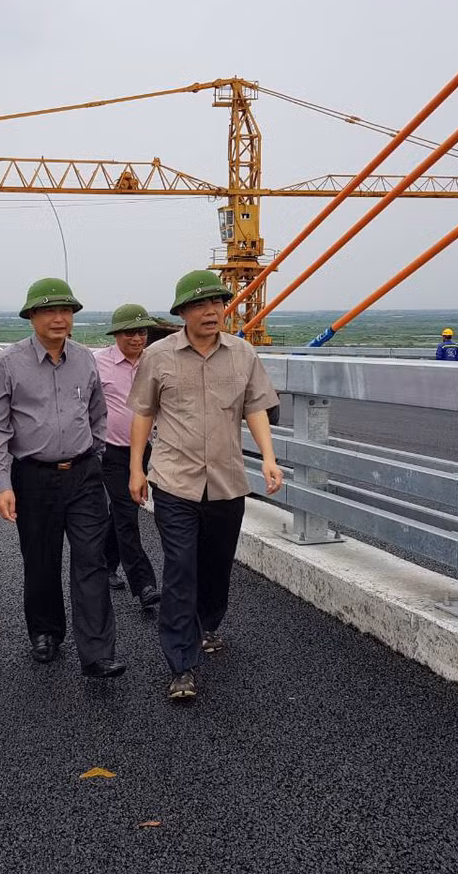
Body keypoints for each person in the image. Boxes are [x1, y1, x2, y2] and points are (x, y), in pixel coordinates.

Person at [127, 270, 283, 702]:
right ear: (182, 312)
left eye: (216, 303)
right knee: (180, 568)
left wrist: (269, 458)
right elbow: (143, 412)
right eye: (199, 305)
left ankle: (208, 622)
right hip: (174, 481)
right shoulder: (158, 356)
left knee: (216, 566)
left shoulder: (242, 353)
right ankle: (181, 663)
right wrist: (136, 468)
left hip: (227, 481)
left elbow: (255, 408)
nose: (211, 311)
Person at [0, 278, 124, 678]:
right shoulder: (8, 364)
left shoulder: (84, 359)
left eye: (65, 311)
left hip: (83, 475)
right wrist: (4, 483)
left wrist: (94, 453)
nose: (59, 318)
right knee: (41, 560)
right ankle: (45, 631)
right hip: (34, 477)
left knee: (91, 560)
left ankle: (97, 652)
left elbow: (98, 412)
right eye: (48, 311)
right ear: (31, 316)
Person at [95, 303, 161, 610]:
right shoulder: (99, 363)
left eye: (142, 332)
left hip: (144, 449)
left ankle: (106, 564)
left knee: (121, 512)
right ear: (116, 334)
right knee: (126, 513)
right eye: (130, 333)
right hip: (111, 451)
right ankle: (144, 583)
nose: (137, 338)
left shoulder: (154, 362)